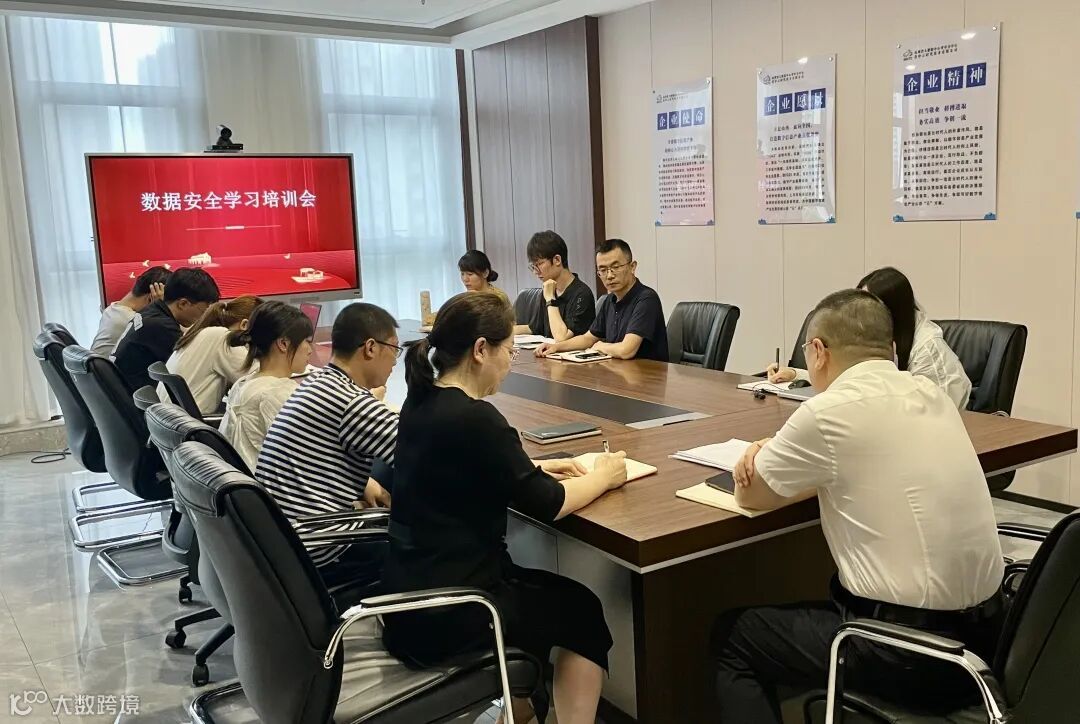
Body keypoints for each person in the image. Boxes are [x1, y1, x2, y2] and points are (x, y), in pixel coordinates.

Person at [711, 289, 1005, 723]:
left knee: (735, 637)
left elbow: (751, 494)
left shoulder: (827, 411)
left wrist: (759, 449)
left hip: (911, 653)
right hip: (990, 640)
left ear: (817, 352)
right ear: (891, 348)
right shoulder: (931, 393)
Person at [380, 291, 629, 724]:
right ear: (481, 350)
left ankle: (519, 712)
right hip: (458, 610)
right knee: (582, 612)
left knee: (539, 601)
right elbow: (550, 503)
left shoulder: (421, 401)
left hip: (409, 600)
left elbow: (461, 470)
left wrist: (533, 466)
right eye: (510, 352)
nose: (511, 363)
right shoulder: (477, 418)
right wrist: (605, 475)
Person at [256, 302, 398, 584]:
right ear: (371, 348)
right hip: (322, 548)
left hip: (284, 540)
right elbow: (427, 456)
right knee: (431, 546)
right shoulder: (351, 402)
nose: (395, 361)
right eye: (394, 349)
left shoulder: (317, 382)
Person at [768, 266, 972, 408]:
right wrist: (797, 375)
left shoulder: (928, 350)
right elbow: (848, 379)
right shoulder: (871, 337)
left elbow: (938, 411)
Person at [536, 238, 668, 362]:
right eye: (603, 270)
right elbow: (588, 338)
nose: (609, 276)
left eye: (616, 267)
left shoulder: (646, 299)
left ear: (632, 267)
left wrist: (600, 346)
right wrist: (556, 347)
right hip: (618, 371)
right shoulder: (610, 300)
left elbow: (626, 350)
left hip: (648, 374)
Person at [219, 302, 314, 471]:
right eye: (307, 341)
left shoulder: (243, 384)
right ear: (283, 344)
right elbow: (307, 459)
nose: (310, 350)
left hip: (241, 478)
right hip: (270, 484)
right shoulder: (279, 393)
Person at [113, 268, 220, 393]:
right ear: (183, 304)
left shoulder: (151, 312)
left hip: (127, 393)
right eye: (204, 311)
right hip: (137, 399)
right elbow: (198, 365)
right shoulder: (162, 327)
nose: (203, 317)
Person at [161, 295, 263, 416]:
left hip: (170, 421)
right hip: (188, 423)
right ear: (244, 325)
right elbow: (261, 379)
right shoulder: (221, 337)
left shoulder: (203, 332)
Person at [512, 230, 595, 341]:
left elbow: (562, 338)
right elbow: (534, 327)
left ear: (557, 260)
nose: (536, 271)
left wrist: (550, 300)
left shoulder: (582, 294)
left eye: (539, 264)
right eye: (533, 266)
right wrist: (502, 332)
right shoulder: (548, 290)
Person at [90, 266, 172, 355]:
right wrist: (159, 307)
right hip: (110, 364)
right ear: (151, 298)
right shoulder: (133, 321)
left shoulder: (111, 309)